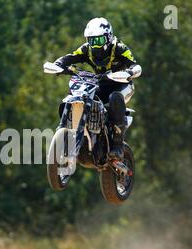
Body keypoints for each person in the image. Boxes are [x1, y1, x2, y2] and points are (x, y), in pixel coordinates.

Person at [54, 17, 142, 159]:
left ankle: (118, 144)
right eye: (91, 40)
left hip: (122, 85)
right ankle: (79, 133)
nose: (95, 45)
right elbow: (69, 57)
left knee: (114, 97)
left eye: (99, 41)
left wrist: (129, 72)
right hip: (100, 83)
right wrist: (58, 64)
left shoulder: (119, 47)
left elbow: (135, 65)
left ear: (108, 37)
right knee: (80, 94)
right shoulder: (86, 49)